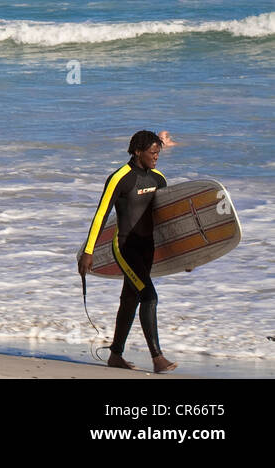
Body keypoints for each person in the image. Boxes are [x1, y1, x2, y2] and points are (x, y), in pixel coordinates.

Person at [77, 129, 178, 372]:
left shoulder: (158, 179)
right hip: (125, 248)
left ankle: (115, 355)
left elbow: (168, 220)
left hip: (147, 248)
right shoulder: (119, 178)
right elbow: (101, 215)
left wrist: (184, 254)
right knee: (149, 297)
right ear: (137, 151)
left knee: (130, 299)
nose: (156, 157)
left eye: (158, 153)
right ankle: (157, 358)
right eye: (153, 152)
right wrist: (88, 251)